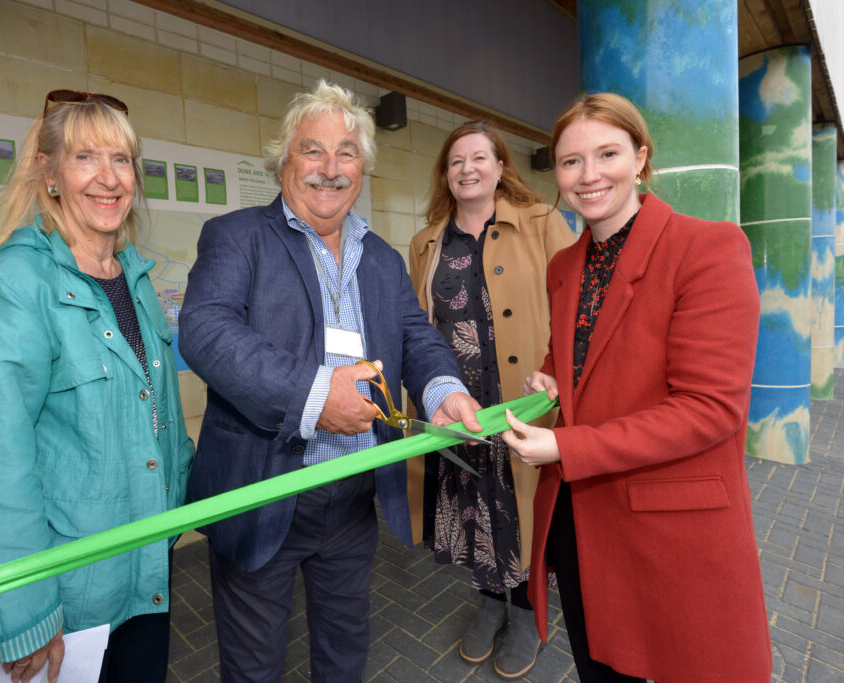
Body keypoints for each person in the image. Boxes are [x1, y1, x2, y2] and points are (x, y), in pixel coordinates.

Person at [178, 80, 483, 681]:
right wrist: (316, 397)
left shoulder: (382, 258)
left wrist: (445, 391)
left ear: (363, 168)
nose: (330, 168)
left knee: (344, 652)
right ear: (283, 161)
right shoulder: (237, 236)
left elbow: (416, 339)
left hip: (352, 497)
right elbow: (206, 331)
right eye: (312, 150)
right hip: (262, 489)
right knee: (253, 666)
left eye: (347, 152)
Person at [501, 93, 772, 681]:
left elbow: (711, 408)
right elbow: (580, 351)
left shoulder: (708, 247)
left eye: (607, 153)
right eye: (571, 161)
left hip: (669, 520)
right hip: (584, 516)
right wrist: (553, 375)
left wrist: (566, 448)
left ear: (641, 157)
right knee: (601, 670)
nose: (588, 175)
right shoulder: (565, 265)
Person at [0, 90, 194, 683]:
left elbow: (159, 428)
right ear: (48, 170)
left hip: (146, 576)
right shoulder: (13, 287)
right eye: (86, 158)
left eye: (122, 160)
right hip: (67, 604)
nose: (108, 179)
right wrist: (27, 618)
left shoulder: (134, 279)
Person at [409, 120, 574, 677]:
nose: (467, 169)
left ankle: (527, 612)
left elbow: (575, 308)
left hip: (525, 405)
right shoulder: (428, 242)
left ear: (501, 167)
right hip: (460, 410)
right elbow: (418, 328)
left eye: (479, 158)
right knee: (473, 508)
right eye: (456, 161)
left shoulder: (541, 223)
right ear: (446, 175)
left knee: (526, 511)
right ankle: (487, 603)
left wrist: (560, 377)